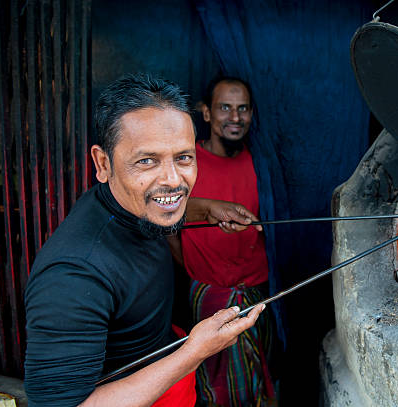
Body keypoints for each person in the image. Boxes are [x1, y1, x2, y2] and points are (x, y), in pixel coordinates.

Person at [24, 73, 266, 407]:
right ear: (103, 163)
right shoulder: (72, 277)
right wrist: (194, 353)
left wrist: (204, 209)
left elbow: (157, 205)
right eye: (147, 160)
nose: (172, 180)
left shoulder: (133, 204)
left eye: (183, 157)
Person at [168, 77, 279, 406]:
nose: (235, 117)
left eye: (242, 108)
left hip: (259, 293)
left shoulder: (262, 165)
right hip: (209, 295)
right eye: (225, 108)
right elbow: (167, 218)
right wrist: (196, 268)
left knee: (261, 379)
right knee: (222, 392)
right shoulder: (187, 165)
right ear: (206, 113)